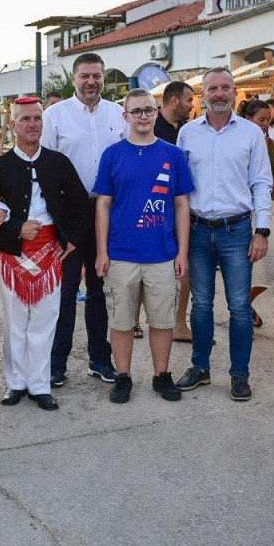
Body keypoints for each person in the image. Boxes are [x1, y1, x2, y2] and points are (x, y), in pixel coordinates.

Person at [0, 98, 88, 411]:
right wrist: (15, 227)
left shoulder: (58, 163)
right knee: (15, 323)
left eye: (37, 118)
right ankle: (16, 384)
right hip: (12, 256)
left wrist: (71, 241)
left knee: (45, 320)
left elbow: (81, 203)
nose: (32, 124)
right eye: (25, 119)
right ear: (13, 126)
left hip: (50, 255)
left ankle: (40, 385)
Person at [176, 67, 273, 401]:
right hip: (199, 231)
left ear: (234, 91)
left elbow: (262, 183)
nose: (219, 93)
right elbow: (180, 190)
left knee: (239, 307)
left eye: (225, 87)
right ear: (203, 93)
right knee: (201, 305)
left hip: (237, 231)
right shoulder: (188, 133)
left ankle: (239, 375)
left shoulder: (250, 133)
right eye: (212, 88)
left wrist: (261, 231)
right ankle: (201, 368)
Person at [94, 89, 194, 403]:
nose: (143, 116)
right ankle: (123, 376)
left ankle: (161, 375)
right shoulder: (112, 155)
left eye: (148, 110)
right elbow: (103, 206)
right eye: (136, 111)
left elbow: (181, 205)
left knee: (163, 321)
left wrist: (182, 251)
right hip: (121, 254)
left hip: (162, 255)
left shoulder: (172, 154)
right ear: (125, 117)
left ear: (156, 112)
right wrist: (101, 252)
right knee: (121, 321)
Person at [42, 53, 128, 387]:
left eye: (97, 76)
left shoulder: (117, 113)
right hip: (67, 212)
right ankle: (56, 363)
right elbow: (45, 166)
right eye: (85, 76)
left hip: (107, 210)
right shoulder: (55, 115)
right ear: (74, 79)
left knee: (98, 289)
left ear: (103, 78)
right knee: (63, 292)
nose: (91, 82)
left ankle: (99, 359)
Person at [151, 80, 195, 343]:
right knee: (143, 265)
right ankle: (134, 321)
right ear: (174, 100)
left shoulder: (190, 131)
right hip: (153, 207)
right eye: (189, 100)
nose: (192, 106)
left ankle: (180, 324)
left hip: (180, 206)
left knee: (184, 265)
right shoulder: (151, 127)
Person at [236, 99, 274, 328]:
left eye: (268, 120)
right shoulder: (241, 143)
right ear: (248, 119)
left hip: (266, 210)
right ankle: (242, 309)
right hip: (249, 211)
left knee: (273, 266)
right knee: (251, 265)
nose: (265, 124)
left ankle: (244, 304)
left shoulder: (271, 145)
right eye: (261, 120)